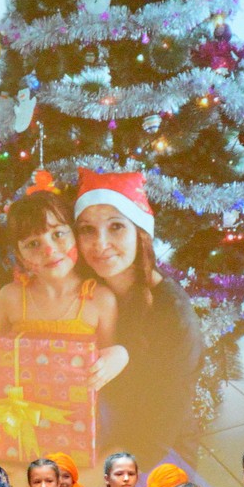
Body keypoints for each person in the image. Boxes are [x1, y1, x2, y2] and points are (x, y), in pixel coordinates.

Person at [74, 170, 203, 469]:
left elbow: (158, 430)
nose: (100, 244)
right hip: (94, 435)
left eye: (116, 227)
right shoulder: (83, 291)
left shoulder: (172, 313)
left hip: (154, 455)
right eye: (87, 229)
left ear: (140, 233)